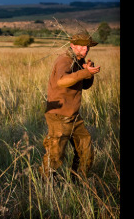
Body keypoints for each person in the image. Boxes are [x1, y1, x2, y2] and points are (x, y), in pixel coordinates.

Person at [40, 29, 101, 180]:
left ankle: (78, 182)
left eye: (87, 47)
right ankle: (47, 188)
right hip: (59, 115)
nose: (85, 49)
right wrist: (85, 73)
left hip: (73, 115)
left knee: (85, 151)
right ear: (72, 45)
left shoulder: (79, 61)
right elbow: (62, 81)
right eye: (81, 46)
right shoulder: (65, 60)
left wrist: (88, 72)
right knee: (55, 156)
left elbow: (85, 85)